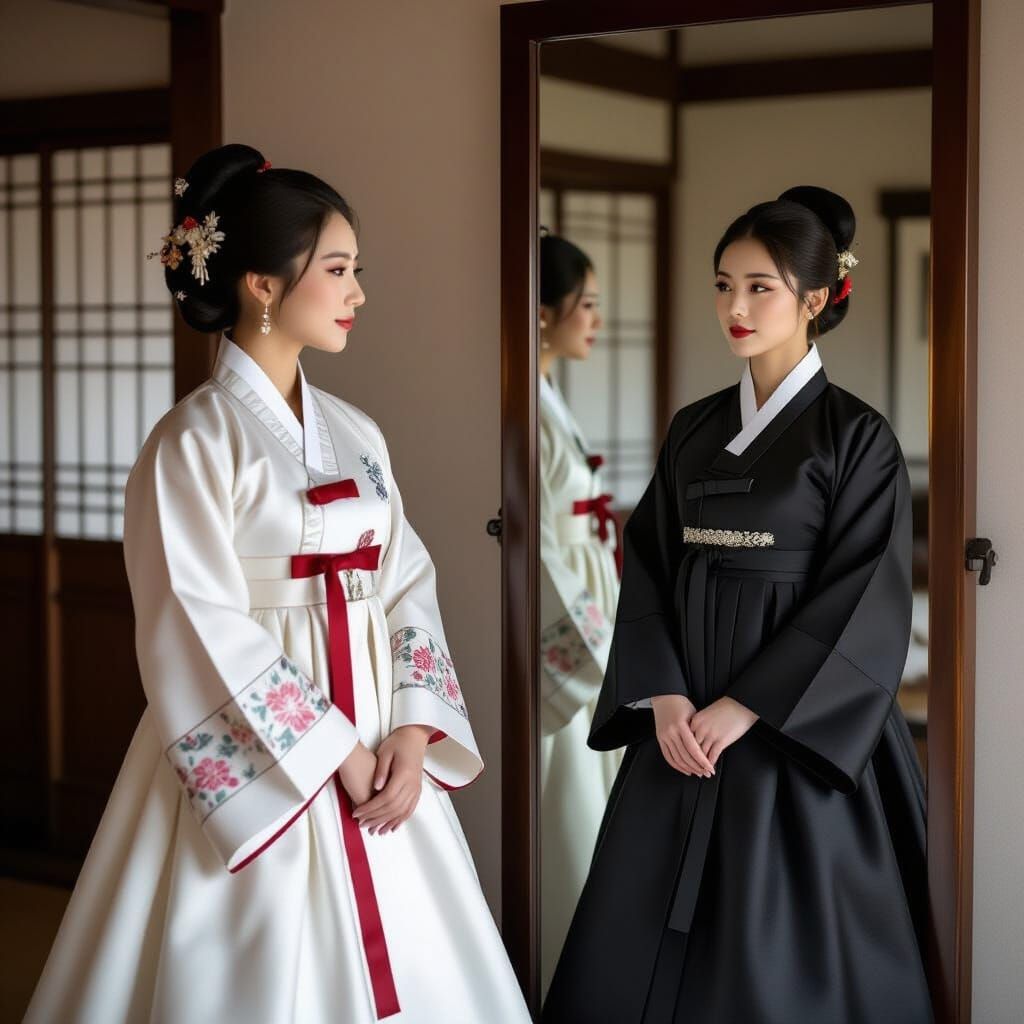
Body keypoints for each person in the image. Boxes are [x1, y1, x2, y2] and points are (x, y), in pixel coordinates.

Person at [25, 143, 532, 1024]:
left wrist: (410, 734)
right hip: (269, 740)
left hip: (381, 729)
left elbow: (406, 575)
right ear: (261, 285)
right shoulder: (190, 443)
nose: (357, 292)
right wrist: (337, 751)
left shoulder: (358, 432)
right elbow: (195, 617)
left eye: (355, 269)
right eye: (336, 269)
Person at [541, 185, 933, 1023]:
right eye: (725, 284)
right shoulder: (693, 427)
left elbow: (861, 595)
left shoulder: (857, 439)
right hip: (682, 709)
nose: (737, 306)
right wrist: (669, 695)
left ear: (815, 299)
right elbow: (646, 563)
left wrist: (744, 707)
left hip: (792, 721)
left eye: (762, 287)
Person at [536, 230, 623, 996]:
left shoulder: (549, 398)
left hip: (596, 592)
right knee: (569, 792)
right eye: (586, 303)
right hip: (574, 611)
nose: (595, 318)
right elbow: (533, 545)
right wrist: (592, 641)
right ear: (543, 312)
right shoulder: (523, 409)